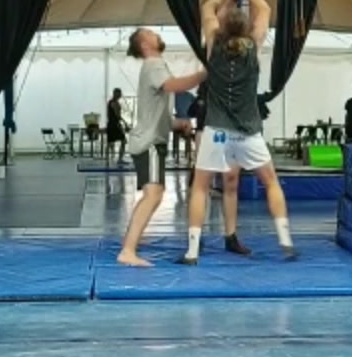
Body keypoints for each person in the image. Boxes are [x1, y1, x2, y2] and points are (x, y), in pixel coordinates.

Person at [183, 0, 296, 264]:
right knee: (271, 182)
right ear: (246, 28)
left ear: (221, 25)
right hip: (247, 133)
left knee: (200, 187)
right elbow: (265, 10)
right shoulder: (253, 46)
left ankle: (192, 251)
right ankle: (285, 239)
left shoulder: (213, 45)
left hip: (217, 132)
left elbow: (207, 9)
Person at [117, 30, 205, 267]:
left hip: (150, 140)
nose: (157, 35)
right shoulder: (154, 64)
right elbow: (174, 85)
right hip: (150, 143)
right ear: (145, 45)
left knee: (154, 194)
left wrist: (177, 124)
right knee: (153, 194)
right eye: (151, 34)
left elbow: (156, 111)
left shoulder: (156, 65)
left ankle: (130, 245)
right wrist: (204, 74)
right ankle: (128, 250)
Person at [188, 82, 251, 257]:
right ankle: (195, 236)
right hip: (207, 127)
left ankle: (231, 236)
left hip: (232, 129)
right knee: (202, 184)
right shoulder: (210, 78)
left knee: (231, 183)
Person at [106, 87, 127, 162]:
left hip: (112, 124)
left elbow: (113, 115)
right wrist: (124, 122)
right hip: (114, 124)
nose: (120, 95)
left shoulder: (112, 102)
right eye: (119, 93)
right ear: (115, 94)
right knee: (123, 141)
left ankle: (107, 159)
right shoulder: (114, 103)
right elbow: (117, 115)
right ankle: (119, 159)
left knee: (110, 142)